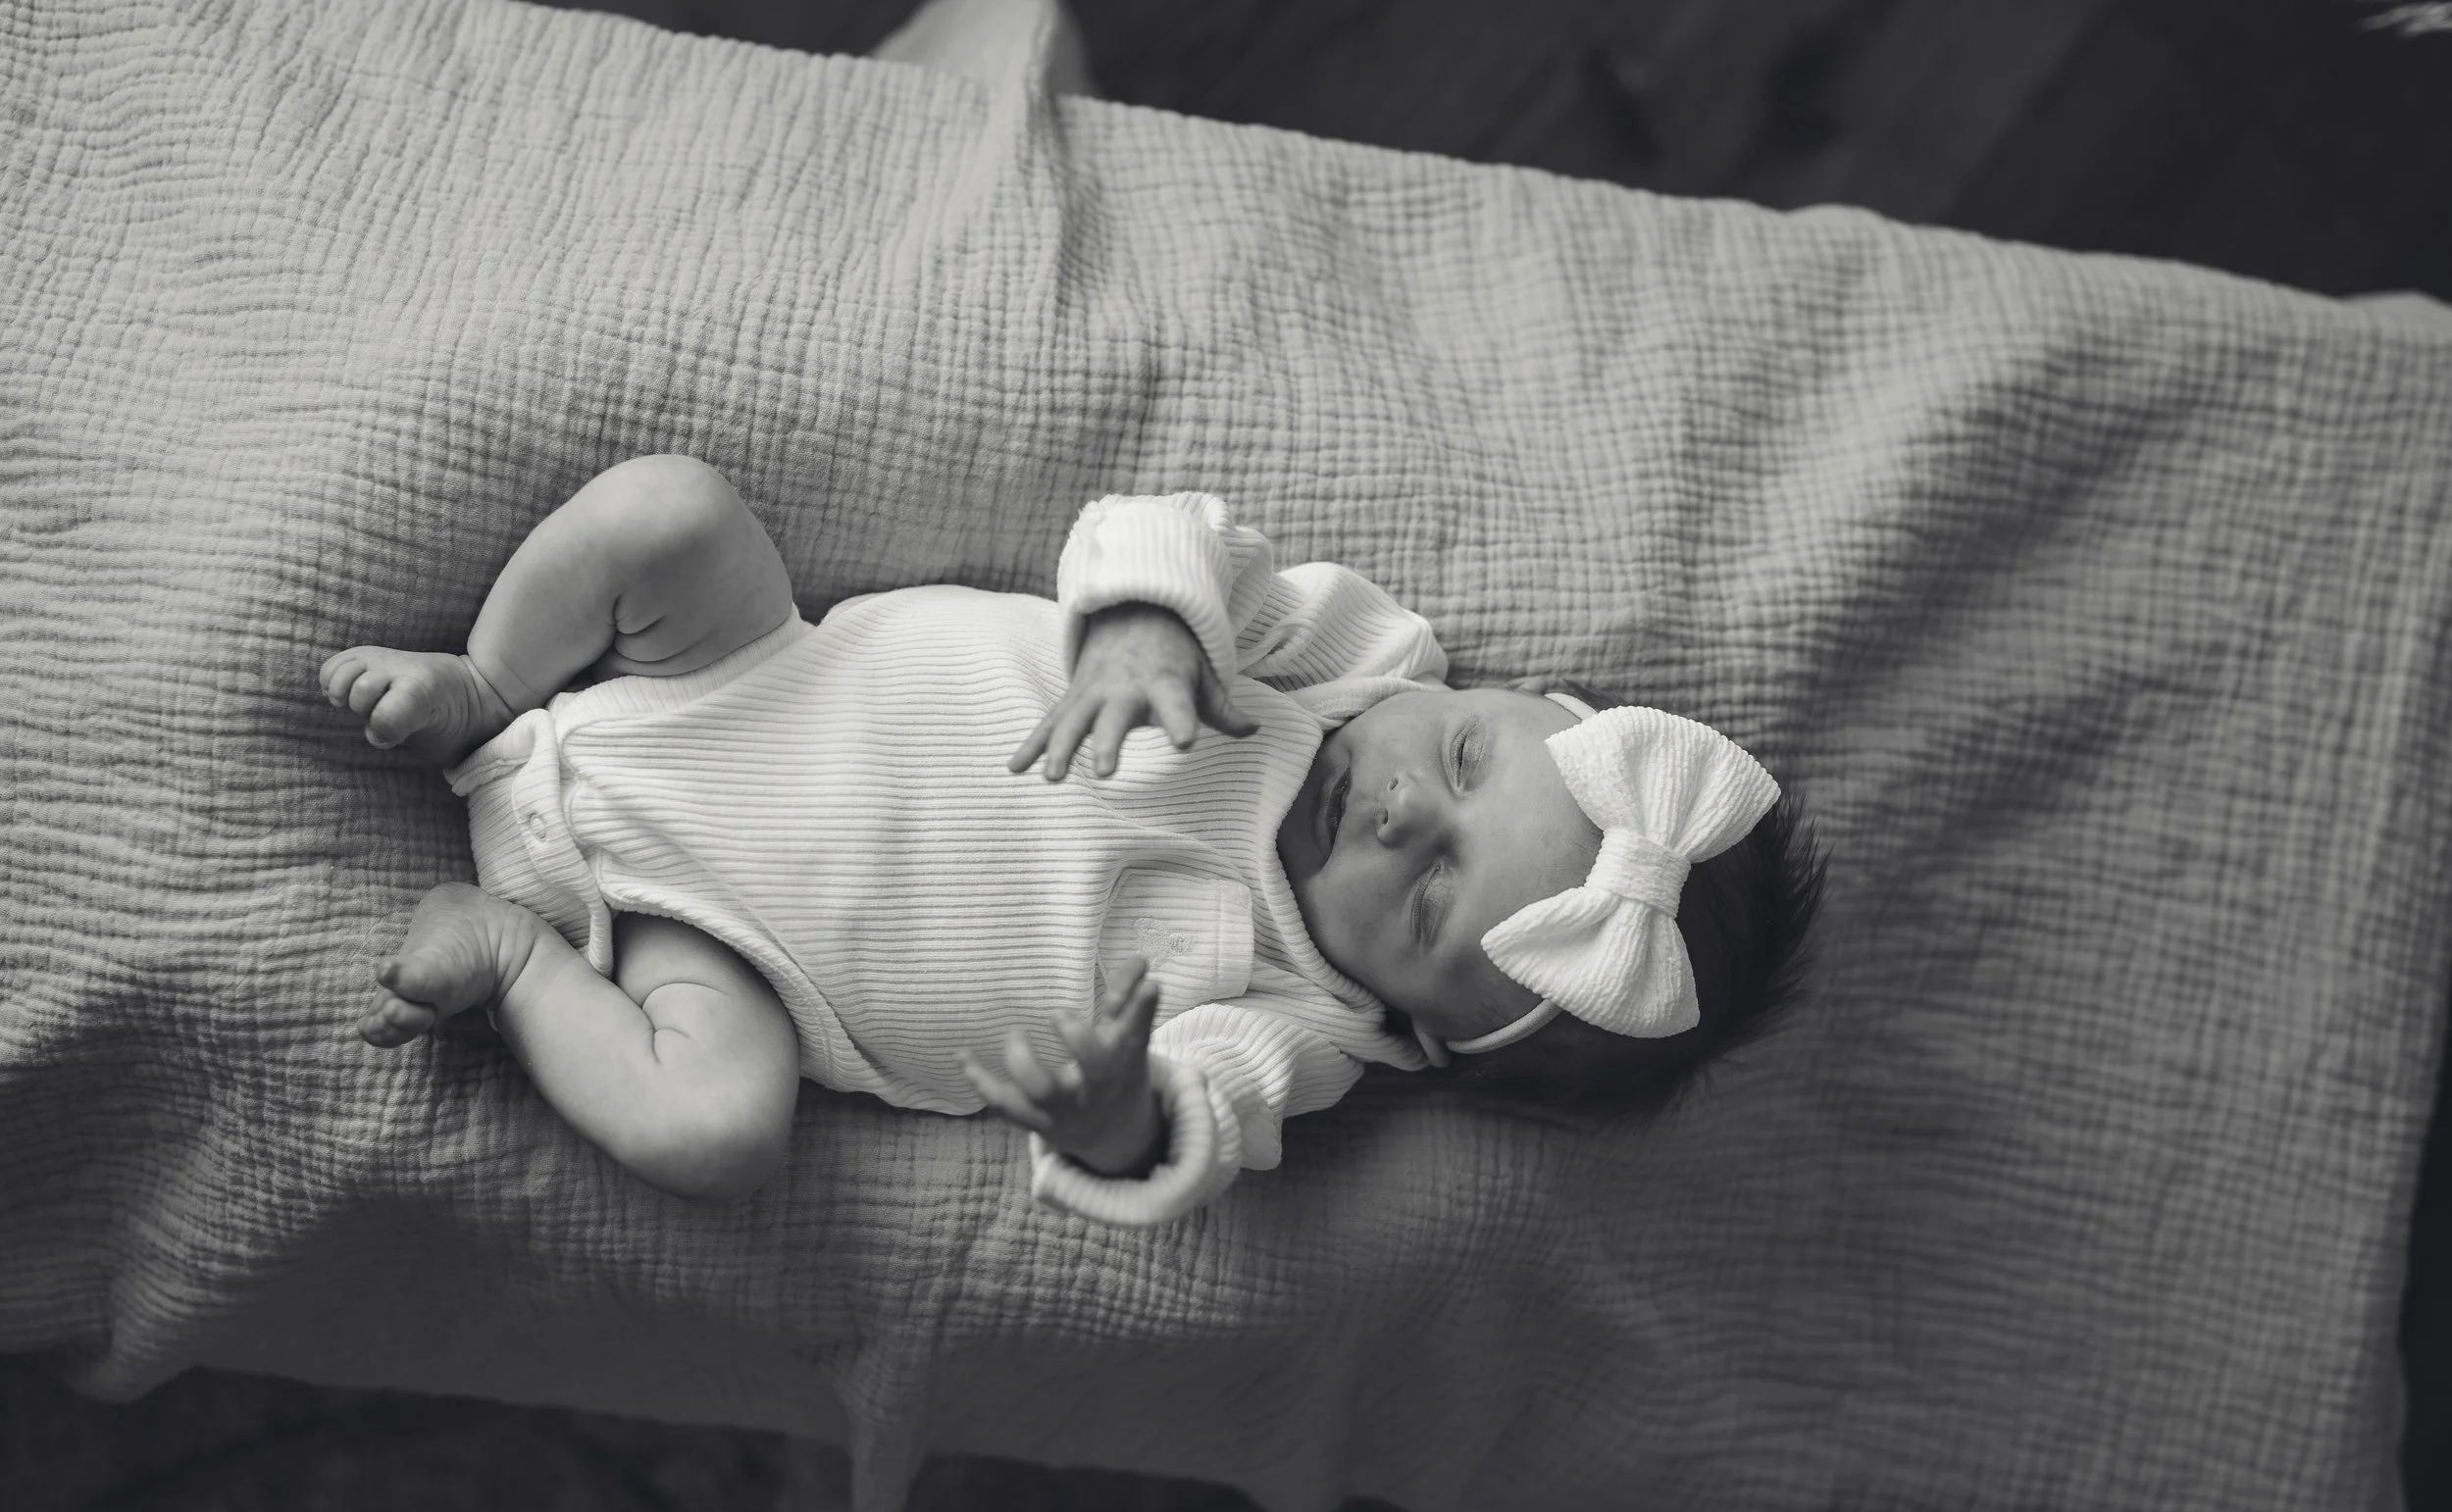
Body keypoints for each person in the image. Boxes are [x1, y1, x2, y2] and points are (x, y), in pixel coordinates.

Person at [319, 454, 1824, 1224]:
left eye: (1431, 896)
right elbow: (1177, 530)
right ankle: (486, 689)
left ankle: (514, 962)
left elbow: (1207, 1120)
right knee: (673, 512)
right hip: (729, 672)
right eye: (1470, 754)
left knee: (719, 1131)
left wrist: (1118, 1119)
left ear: (1425, 1033)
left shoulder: (1310, 1026)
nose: (1404, 806)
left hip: (716, 952)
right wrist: (1151, 621)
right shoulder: (1344, 665)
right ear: (1488, 693)